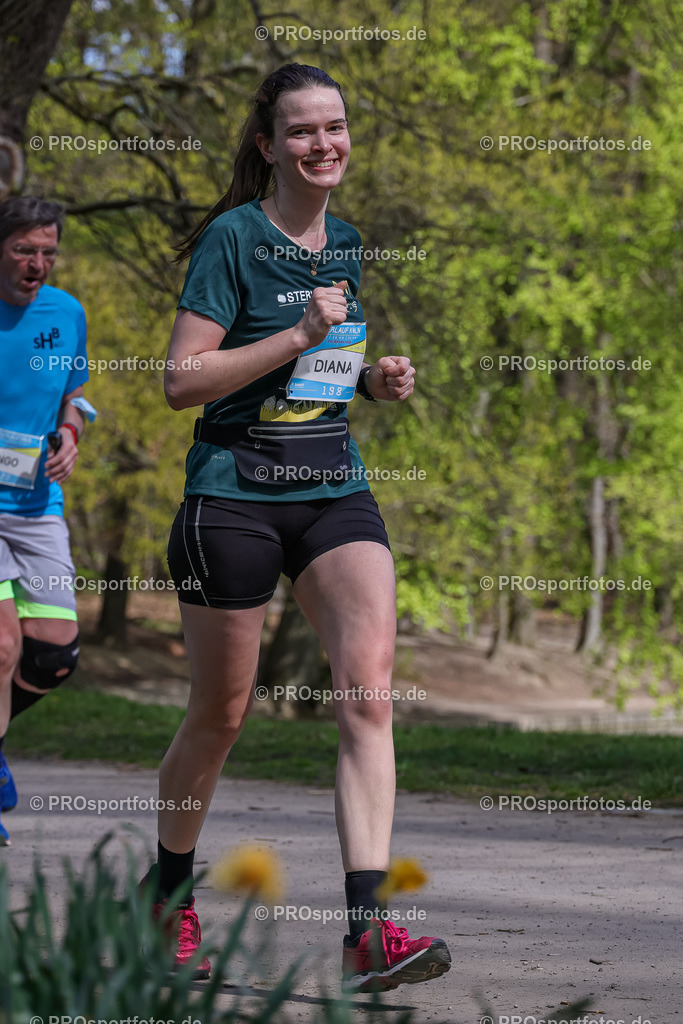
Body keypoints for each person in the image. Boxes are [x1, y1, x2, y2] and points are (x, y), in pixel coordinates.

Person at [152, 63, 451, 994]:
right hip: (233, 494)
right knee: (221, 714)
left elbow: (319, 370)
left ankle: (368, 932)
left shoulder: (345, 241)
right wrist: (294, 335)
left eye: (336, 126)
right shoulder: (232, 240)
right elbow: (181, 381)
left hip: (331, 485)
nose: (325, 144)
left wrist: (369, 379)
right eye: (303, 131)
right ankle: (168, 896)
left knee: (369, 693)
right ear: (268, 145)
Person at [0, 197, 91, 846]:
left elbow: (75, 395)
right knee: (1, 646)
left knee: (54, 653)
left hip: (37, 504)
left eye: (47, 253)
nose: (37, 264)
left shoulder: (66, 313)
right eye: (23, 250)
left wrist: (71, 431)